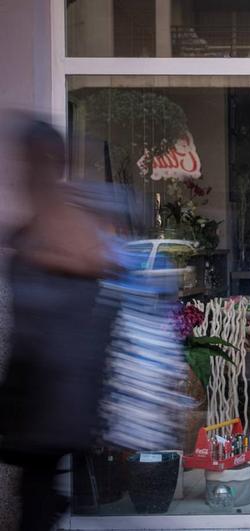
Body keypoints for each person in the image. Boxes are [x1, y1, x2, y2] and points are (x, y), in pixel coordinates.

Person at [0, 117, 115, 530]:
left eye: (30, 158)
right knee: (38, 486)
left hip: (57, 382)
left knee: (39, 488)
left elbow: (100, 262)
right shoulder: (41, 217)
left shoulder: (62, 217)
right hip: (42, 380)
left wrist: (33, 254)